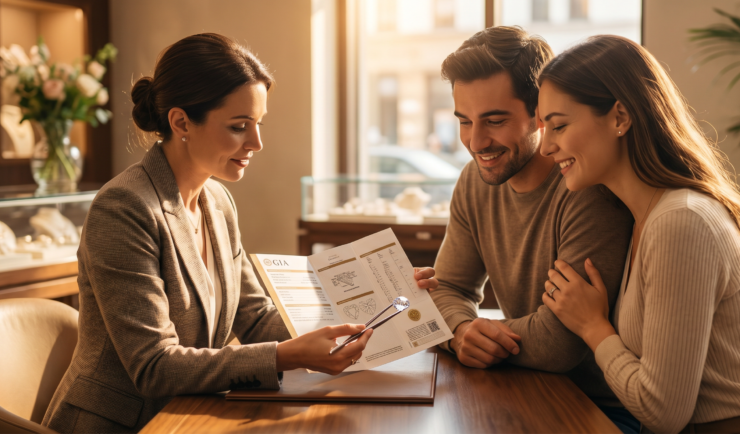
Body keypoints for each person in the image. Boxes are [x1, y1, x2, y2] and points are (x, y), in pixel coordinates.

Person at [42, 33, 438, 433]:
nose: (256, 142)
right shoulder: (124, 208)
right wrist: (284, 356)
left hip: (188, 412)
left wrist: (380, 305)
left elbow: (255, 317)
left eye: (258, 124)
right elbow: (154, 366)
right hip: (120, 424)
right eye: (238, 126)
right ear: (181, 122)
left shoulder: (217, 201)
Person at [537, 35, 740, 433]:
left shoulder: (681, 221)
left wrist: (593, 327)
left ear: (620, 118)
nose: (545, 147)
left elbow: (662, 411)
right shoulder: (644, 216)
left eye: (559, 126)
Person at [429, 26, 637, 430]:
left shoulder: (586, 186)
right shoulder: (474, 182)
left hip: (606, 409)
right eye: (464, 122)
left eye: (494, 120)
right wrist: (461, 330)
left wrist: (470, 333)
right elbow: (448, 288)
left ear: (540, 112)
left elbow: (559, 342)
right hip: (528, 388)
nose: (476, 142)